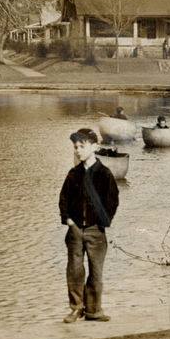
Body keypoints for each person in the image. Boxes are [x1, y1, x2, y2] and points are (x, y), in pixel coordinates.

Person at [59, 128, 119, 323]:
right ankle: (76, 308)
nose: (77, 150)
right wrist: (68, 220)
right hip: (75, 230)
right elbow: (63, 199)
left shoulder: (104, 174)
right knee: (75, 270)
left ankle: (94, 310)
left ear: (94, 147)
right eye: (75, 147)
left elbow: (112, 201)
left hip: (96, 230)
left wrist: (102, 221)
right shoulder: (73, 174)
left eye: (82, 146)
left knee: (96, 271)